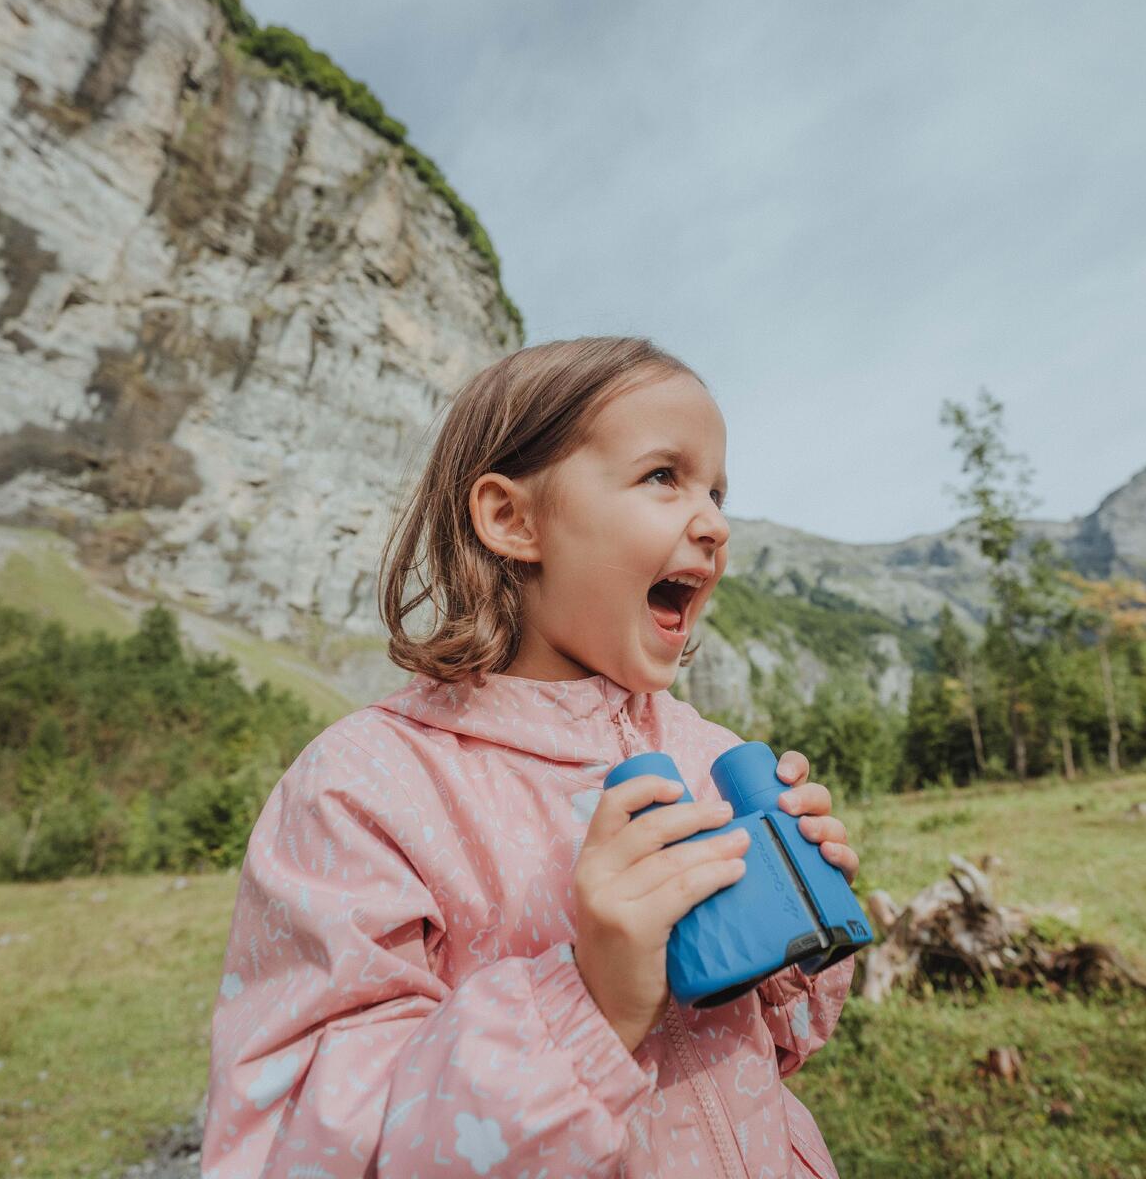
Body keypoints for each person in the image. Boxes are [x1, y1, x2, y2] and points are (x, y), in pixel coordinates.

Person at [203, 336, 861, 1178]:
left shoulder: (711, 753)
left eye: (718, 489)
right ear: (512, 519)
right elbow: (311, 1143)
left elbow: (776, 1050)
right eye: (664, 475)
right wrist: (591, 1000)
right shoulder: (364, 789)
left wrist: (797, 932)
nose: (715, 522)